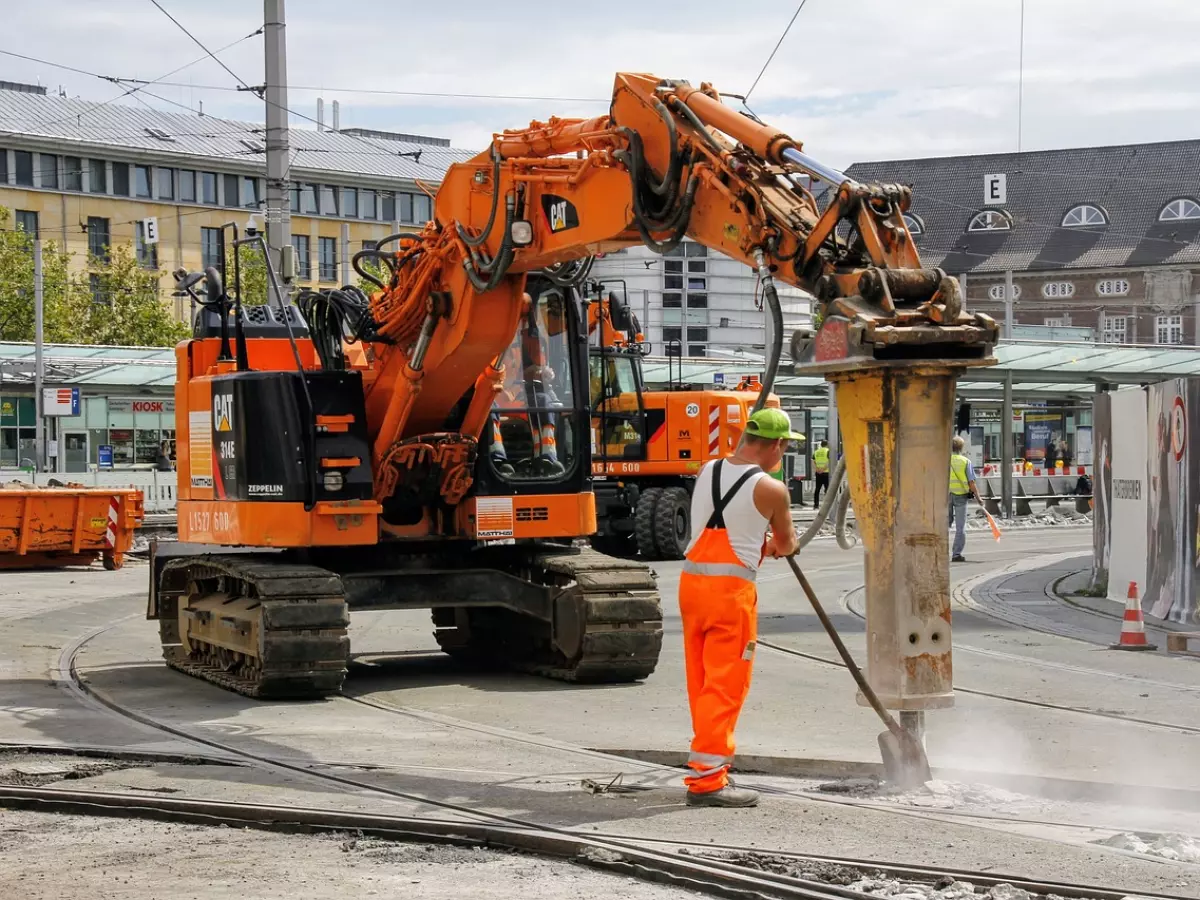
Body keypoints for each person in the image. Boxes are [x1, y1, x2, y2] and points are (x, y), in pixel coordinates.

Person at [679, 407, 800, 808]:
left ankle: (705, 764)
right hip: (730, 596)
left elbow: (724, 523)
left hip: (692, 587)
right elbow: (786, 544)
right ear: (777, 445)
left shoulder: (706, 470)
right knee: (725, 684)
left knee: (701, 679)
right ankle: (709, 780)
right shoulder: (771, 489)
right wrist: (772, 542)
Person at [949, 435, 981, 562]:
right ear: (962, 448)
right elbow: (971, 483)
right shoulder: (965, 461)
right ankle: (956, 554)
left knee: (943, 525)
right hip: (961, 496)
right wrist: (978, 498)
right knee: (960, 527)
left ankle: (938, 551)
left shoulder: (945, 460)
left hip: (946, 496)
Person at [811, 440, 830, 508]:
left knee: (817, 489)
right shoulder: (828, 451)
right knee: (827, 489)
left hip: (818, 473)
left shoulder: (816, 452)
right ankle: (827, 505)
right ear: (827, 445)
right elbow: (829, 462)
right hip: (826, 473)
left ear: (821, 445)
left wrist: (817, 469)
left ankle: (816, 505)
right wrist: (823, 469)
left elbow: (813, 461)